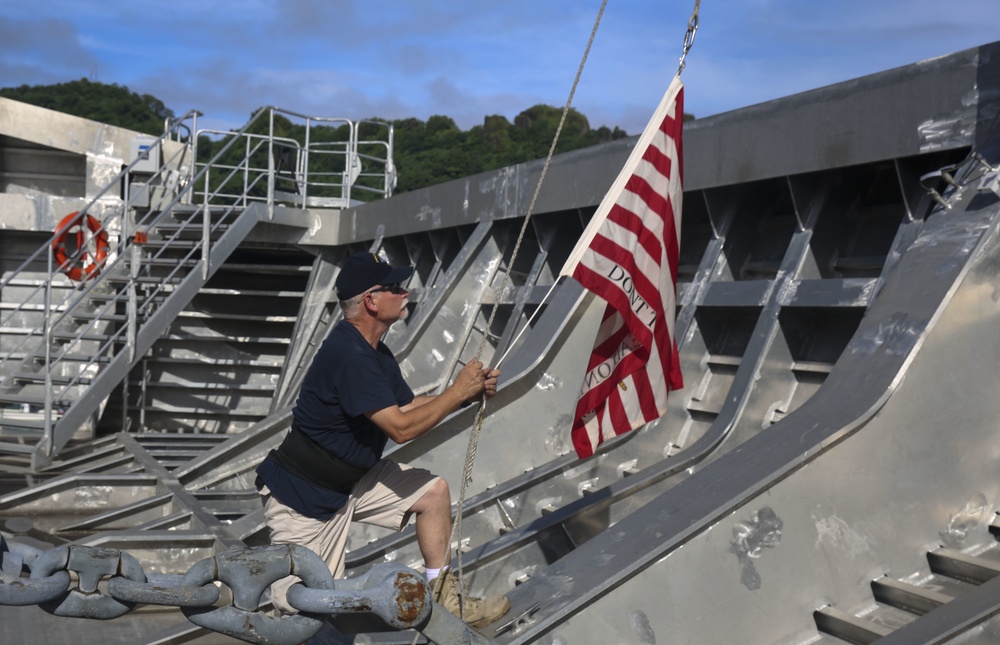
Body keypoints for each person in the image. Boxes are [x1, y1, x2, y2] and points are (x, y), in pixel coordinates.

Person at [255, 251, 510, 629]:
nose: (405, 292)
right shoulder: (350, 355)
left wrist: (466, 396)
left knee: (433, 493)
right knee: (304, 619)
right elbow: (401, 429)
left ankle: (442, 595)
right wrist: (456, 393)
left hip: (350, 480)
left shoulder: (374, 352)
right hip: (304, 499)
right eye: (394, 287)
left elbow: (407, 407)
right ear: (371, 301)